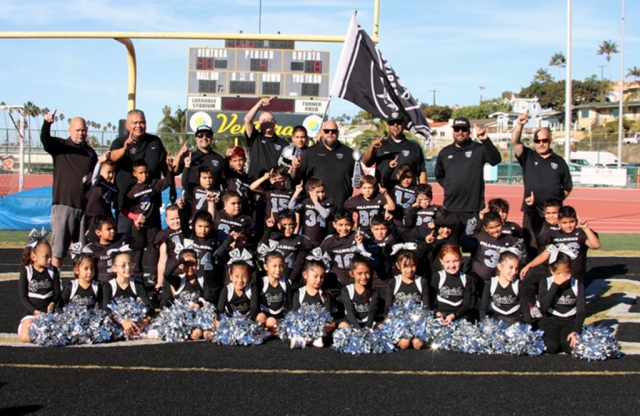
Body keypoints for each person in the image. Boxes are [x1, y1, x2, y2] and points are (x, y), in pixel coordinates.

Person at [511, 111, 572, 260]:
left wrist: (556, 201)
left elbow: (567, 187)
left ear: (550, 140)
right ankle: (531, 274)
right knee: (531, 244)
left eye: (544, 140)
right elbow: (515, 142)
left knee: (555, 245)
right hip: (532, 210)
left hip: (553, 213)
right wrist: (520, 124)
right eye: (537, 141)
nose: (541, 144)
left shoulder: (559, 161)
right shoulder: (528, 157)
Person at [41, 109, 97, 268]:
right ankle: (55, 285)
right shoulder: (60, 146)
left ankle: (80, 289)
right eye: (78, 130)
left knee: (82, 254)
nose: (81, 133)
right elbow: (45, 140)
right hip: (63, 206)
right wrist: (47, 124)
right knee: (58, 251)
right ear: (70, 130)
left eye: (84, 130)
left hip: (83, 210)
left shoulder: (90, 153)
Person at [434, 117, 501, 230]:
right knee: (451, 244)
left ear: (469, 131)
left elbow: (495, 160)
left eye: (464, 129)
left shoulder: (479, 149)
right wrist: (450, 187)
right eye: (457, 129)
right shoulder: (445, 152)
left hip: (473, 208)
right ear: (453, 131)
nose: (460, 132)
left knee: (471, 243)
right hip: (451, 207)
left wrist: (485, 140)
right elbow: (439, 175)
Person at [110, 109, 169, 234]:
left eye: (141, 122)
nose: (138, 126)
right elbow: (113, 157)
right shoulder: (120, 142)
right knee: (125, 245)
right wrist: (125, 149)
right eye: (134, 123)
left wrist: (173, 187)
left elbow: (165, 166)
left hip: (151, 207)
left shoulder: (155, 142)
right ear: (127, 125)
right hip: (127, 207)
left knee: (152, 246)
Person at [298, 120, 355, 208]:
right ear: (321, 132)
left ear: (338, 133)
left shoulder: (349, 153)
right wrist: (294, 168)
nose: (330, 133)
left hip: (341, 208)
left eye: (333, 131)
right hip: (315, 208)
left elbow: (359, 179)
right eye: (327, 131)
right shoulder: (309, 152)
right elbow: (297, 177)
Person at [362, 111, 427, 187]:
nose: (395, 125)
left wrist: (423, 192)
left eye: (399, 123)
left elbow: (421, 172)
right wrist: (371, 147)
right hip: (384, 193)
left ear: (404, 124)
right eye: (392, 123)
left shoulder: (414, 146)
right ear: (388, 126)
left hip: (408, 193)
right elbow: (366, 162)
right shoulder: (380, 145)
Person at [538, 251, 585, 354]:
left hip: (569, 320)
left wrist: (576, 330)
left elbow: (581, 310)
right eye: (559, 274)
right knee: (551, 347)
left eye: (567, 273)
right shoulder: (545, 283)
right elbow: (544, 307)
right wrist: (555, 285)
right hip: (550, 319)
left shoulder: (577, 284)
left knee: (571, 347)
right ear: (551, 270)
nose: (563, 278)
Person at [384, 250, 431, 350]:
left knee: (418, 345)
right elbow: (388, 306)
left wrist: (422, 322)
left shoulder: (421, 282)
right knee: (405, 344)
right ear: (398, 265)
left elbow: (427, 307)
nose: (409, 270)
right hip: (399, 321)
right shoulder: (393, 282)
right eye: (405, 266)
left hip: (417, 322)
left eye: (412, 265)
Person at [17, 236, 61, 342]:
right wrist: (34, 311)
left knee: (60, 335)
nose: (50, 259)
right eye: (46, 257)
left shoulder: (53, 270)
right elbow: (23, 297)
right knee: (25, 337)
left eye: (50, 256)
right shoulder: (26, 272)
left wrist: (52, 303)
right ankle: (23, 327)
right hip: (32, 313)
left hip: (49, 314)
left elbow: (57, 292)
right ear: (33, 257)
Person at [102, 252, 154, 337]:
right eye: (123, 265)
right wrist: (122, 321)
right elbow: (106, 310)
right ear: (114, 268)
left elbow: (150, 307)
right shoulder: (108, 286)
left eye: (130, 264)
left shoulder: (137, 283)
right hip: (116, 322)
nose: (128, 267)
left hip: (134, 320)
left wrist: (143, 322)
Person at [291, 258, 336, 348]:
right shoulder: (299, 293)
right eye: (315, 276)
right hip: (303, 324)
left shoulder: (325, 294)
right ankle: (311, 339)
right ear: (305, 275)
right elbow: (295, 313)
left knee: (332, 324)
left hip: (319, 325)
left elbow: (328, 315)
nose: (319, 280)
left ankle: (310, 339)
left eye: (322, 277)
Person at [244, 97, 289, 179]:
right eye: (264, 120)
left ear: (275, 123)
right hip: (254, 183)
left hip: (274, 186)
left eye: (270, 120)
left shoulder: (284, 144)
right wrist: (259, 104)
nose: (267, 122)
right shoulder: (254, 137)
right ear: (259, 123)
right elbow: (247, 120)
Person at [479, 251, 526, 324]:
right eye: (510, 267)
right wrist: (484, 324)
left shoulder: (518, 285)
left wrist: (529, 327)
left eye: (516, 268)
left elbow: (525, 310)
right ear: (500, 267)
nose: (514, 272)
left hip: (515, 321)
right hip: (496, 321)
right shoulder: (491, 284)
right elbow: (483, 309)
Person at [432, 244, 473, 324]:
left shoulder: (466, 279)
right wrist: (437, 313)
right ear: (441, 261)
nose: (452, 265)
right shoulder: (438, 277)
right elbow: (430, 301)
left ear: (461, 259)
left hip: (458, 316)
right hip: (440, 315)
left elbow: (466, 305)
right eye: (447, 262)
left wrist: (454, 315)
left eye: (455, 261)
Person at [339, 255, 379, 329]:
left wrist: (367, 329)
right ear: (351, 273)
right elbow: (349, 311)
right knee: (342, 325)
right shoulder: (347, 291)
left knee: (381, 326)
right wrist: (357, 329)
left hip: (368, 324)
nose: (364, 277)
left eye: (367, 273)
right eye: (359, 273)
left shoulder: (374, 292)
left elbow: (372, 312)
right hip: (352, 324)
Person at [180, 125, 225, 189]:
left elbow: (225, 182)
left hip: (213, 198)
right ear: (196, 139)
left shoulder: (219, 159)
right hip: (192, 198)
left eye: (208, 135)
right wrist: (180, 153)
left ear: (212, 138)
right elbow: (174, 171)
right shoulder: (188, 157)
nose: (204, 138)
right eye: (200, 135)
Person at [255, 251, 290, 336]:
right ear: (266, 266)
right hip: (264, 313)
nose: (278, 269)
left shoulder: (285, 283)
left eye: (281, 266)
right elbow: (255, 303)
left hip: (278, 317)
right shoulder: (261, 282)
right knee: (260, 317)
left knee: (271, 321)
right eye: (274, 266)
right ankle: (262, 331)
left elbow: (290, 304)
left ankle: (269, 333)